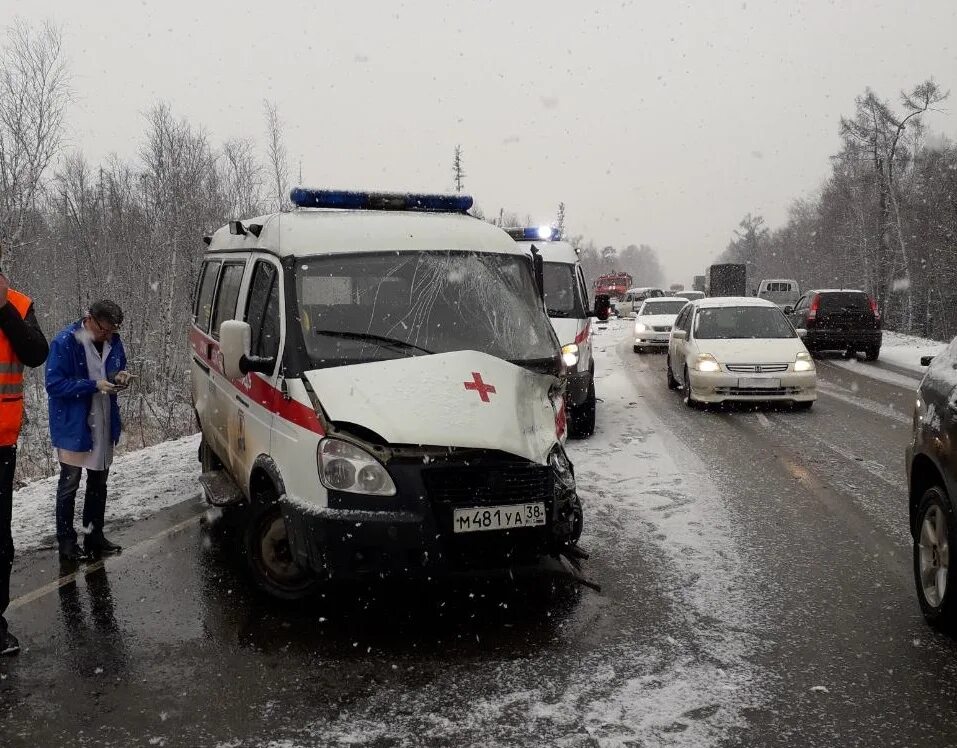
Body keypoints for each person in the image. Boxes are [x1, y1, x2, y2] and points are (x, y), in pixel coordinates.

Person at [46, 300, 130, 565]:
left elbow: (116, 366)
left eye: (112, 332)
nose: (107, 336)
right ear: (90, 319)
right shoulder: (66, 342)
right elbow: (54, 384)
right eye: (104, 330)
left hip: (103, 420)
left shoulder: (113, 340)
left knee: (99, 483)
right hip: (73, 424)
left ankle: (94, 536)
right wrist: (93, 385)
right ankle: (67, 544)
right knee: (69, 484)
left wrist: (121, 377)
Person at [0, 268, 50, 658]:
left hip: (1, 442)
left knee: (0, 540)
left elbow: (36, 354)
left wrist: (4, 310)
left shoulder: (18, 304)